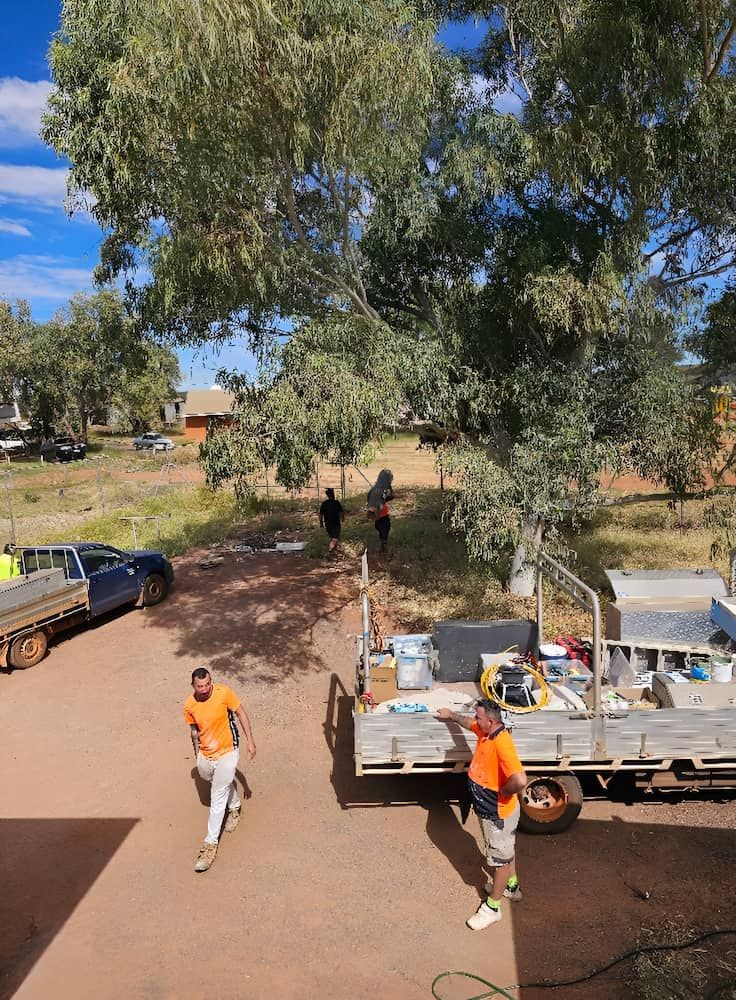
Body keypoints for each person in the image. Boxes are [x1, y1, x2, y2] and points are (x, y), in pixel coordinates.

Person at [436, 698, 527, 930]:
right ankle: (511, 887)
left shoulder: (501, 743)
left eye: (479, 718)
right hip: (491, 812)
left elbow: (519, 779)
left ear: (491, 720)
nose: (475, 721)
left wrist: (503, 794)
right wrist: (452, 716)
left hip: (497, 813)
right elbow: (469, 723)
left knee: (500, 860)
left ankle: (492, 908)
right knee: (505, 849)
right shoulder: (486, 731)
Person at [183, 667, 256, 873]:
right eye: (200, 686)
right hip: (206, 754)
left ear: (211, 681)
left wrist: (250, 741)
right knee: (208, 776)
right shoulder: (189, 704)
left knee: (217, 795)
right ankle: (235, 805)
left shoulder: (224, 693)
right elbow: (194, 731)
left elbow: (241, 712)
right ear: (193, 686)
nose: (205, 689)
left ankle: (210, 844)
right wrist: (198, 754)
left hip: (227, 751)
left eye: (207, 684)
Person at [319, 487, 344, 554]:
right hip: (336, 523)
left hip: (328, 524)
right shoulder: (336, 503)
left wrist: (321, 523)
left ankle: (334, 551)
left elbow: (320, 514)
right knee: (335, 538)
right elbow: (341, 512)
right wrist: (342, 519)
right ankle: (330, 551)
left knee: (333, 537)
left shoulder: (324, 503)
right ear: (333, 494)